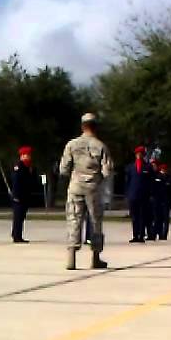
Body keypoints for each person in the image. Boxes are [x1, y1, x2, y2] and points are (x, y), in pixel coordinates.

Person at [59, 113, 114, 270]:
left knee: (74, 219)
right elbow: (107, 171)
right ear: (95, 126)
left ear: (82, 126)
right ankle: (95, 258)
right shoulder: (101, 146)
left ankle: (71, 258)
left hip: (75, 186)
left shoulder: (72, 144)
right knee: (95, 222)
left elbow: (63, 169)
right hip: (93, 188)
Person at [10, 145, 38, 243]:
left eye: (29, 155)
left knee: (21, 217)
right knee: (18, 217)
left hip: (25, 195)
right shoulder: (19, 166)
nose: (28, 157)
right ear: (21, 156)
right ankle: (16, 236)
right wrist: (16, 196)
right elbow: (16, 182)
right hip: (19, 196)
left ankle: (17, 234)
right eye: (25, 155)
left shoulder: (29, 167)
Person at [125, 146, 152, 243]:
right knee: (134, 216)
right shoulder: (130, 167)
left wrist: (150, 194)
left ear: (143, 155)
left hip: (144, 196)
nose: (139, 155)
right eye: (137, 154)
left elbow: (151, 182)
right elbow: (127, 182)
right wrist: (127, 194)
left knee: (142, 216)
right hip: (133, 195)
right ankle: (135, 235)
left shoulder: (148, 167)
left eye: (141, 154)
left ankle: (141, 235)